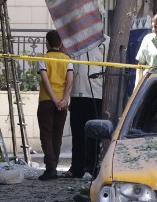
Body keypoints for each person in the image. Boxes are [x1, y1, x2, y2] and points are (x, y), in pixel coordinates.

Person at [66, 37, 107, 179]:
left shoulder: (105, 42)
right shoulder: (75, 42)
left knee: (94, 134)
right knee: (77, 133)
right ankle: (77, 167)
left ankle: (93, 166)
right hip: (77, 93)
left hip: (96, 93)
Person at [36, 30, 74, 181]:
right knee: (57, 135)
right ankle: (55, 166)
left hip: (46, 101)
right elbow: (70, 80)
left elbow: (45, 80)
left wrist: (53, 99)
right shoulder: (67, 59)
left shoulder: (43, 58)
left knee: (46, 134)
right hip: (62, 103)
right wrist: (64, 99)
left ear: (47, 42)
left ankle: (50, 168)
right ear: (61, 43)